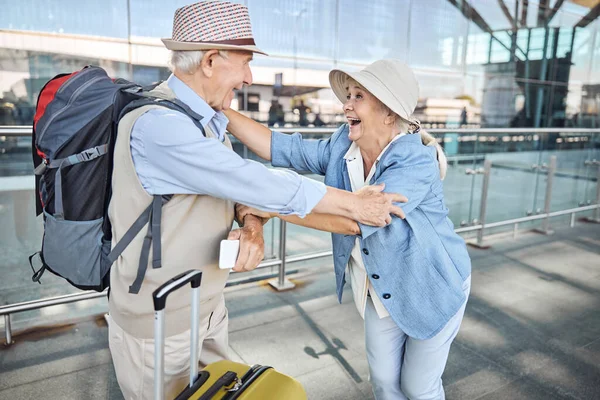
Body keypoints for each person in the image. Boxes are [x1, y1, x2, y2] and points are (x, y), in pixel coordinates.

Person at [106, 3, 407, 399]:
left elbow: (235, 192)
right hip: (159, 321)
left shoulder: (207, 122)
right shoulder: (159, 126)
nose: (249, 78)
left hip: (207, 307)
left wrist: (250, 225)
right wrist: (354, 205)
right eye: (245, 62)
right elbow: (253, 180)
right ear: (211, 60)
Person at [226, 59, 472, 400]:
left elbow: (355, 221)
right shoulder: (344, 145)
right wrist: (218, 110)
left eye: (358, 97)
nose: (346, 104)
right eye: (348, 95)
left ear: (388, 113)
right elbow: (285, 148)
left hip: (431, 283)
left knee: (419, 386)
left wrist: (275, 208)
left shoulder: (414, 160)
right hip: (382, 287)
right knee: (385, 382)